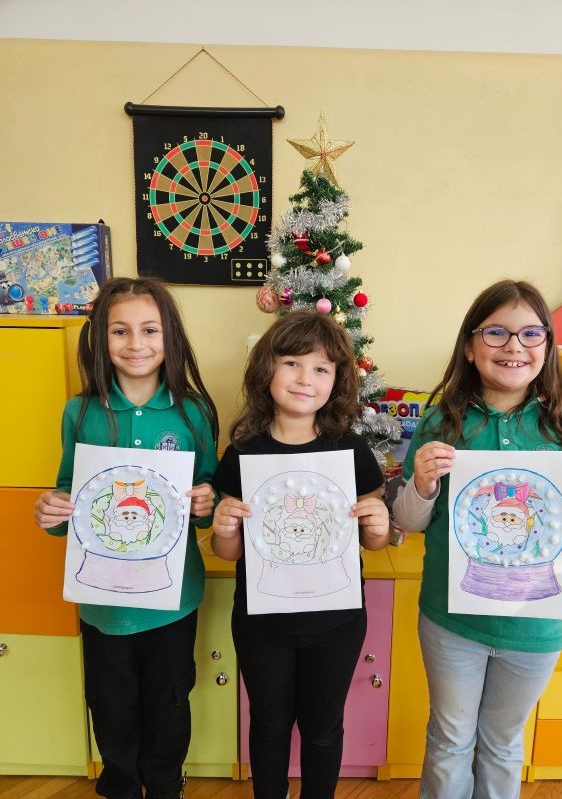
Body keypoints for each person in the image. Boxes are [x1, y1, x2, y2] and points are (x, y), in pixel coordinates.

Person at [393, 279, 562, 799]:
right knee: (450, 738)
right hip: (451, 619)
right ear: (470, 345)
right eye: (496, 332)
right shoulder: (441, 422)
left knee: (504, 743)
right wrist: (421, 485)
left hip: (535, 626)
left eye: (531, 333)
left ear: (546, 345)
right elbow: (410, 523)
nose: (514, 346)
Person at [33, 277, 219, 799]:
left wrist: (207, 503)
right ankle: (118, 785)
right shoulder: (80, 412)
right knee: (111, 707)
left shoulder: (193, 412)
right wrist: (52, 511)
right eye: (120, 331)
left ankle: (165, 784)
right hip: (103, 602)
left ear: (170, 336)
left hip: (172, 599)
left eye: (149, 330)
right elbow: (69, 494)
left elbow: (208, 494)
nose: (136, 343)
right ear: (100, 338)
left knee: (168, 703)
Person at [211, 310, 390, 799]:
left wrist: (378, 525)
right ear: (266, 369)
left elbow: (372, 540)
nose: (305, 378)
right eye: (291, 363)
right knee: (268, 724)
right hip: (261, 622)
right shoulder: (243, 453)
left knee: (324, 726)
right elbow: (228, 552)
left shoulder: (351, 451)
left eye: (321, 368)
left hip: (337, 622)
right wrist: (224, 528)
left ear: (337, 380)